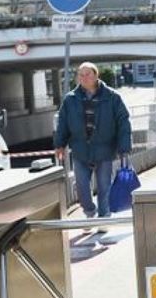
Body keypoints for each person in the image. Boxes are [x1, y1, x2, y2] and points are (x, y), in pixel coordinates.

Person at [54, 62, 132, 220]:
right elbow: (63, 123)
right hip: (80, 149)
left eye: (87, 74)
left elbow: (123, 121)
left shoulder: (112, 97)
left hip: (105, 149)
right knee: (82, 187)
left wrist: (124, 147)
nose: (83, 78)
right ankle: (90, 211)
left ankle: (104, 217)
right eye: (80, 75)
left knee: (104, 186)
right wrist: (59, 144)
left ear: (96, 76)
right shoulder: (70, 99)